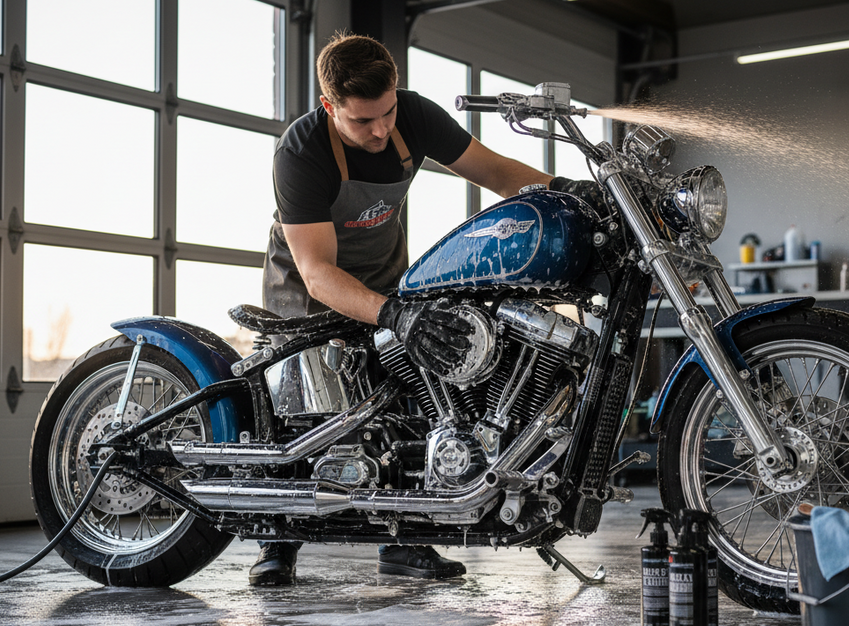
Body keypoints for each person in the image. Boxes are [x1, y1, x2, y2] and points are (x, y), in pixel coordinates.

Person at [252, 31, 602, 585]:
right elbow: (317, 271)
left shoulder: (413, 116)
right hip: (309, 290)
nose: (380, 130)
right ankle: (276, 541)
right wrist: (395, 315)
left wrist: (565, 190)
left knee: (416, 398)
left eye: (387, 113)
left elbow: (497, 172)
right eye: (363, 121)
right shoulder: (302, 151)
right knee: (299, 407)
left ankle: (406, 540)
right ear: (329, 106)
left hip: (386, 277)